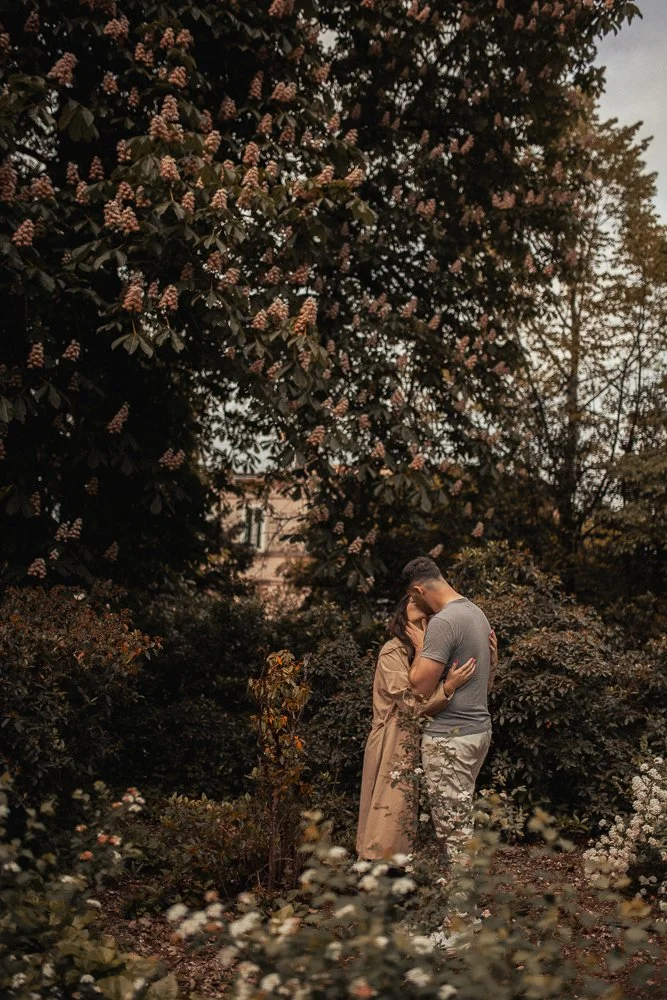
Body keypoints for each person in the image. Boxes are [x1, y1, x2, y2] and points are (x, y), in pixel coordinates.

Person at [356, 594, 478, 861]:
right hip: (394, 739)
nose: (419, 603)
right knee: (388, 820)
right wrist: (447, 688)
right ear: (402, 614)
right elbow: (408, 702)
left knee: (421, 815)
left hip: (429, 736)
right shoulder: (393, 651)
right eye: (412, 601)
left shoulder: (434, 650)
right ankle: (380, 880)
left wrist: (490, 653)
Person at [401, 556, 498, 861]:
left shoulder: (443, 622)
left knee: (455, 834)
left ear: (418, 590)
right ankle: (464, 904)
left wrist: (419, 642)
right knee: (461, 824)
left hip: (450, 739)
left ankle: (462, 909)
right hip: (478, 731)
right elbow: (485, 683)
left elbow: (418, 687)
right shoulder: (476, 613)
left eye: (414, 599)